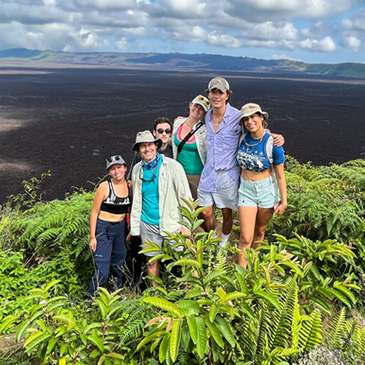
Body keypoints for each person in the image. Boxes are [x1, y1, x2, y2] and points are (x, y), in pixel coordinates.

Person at [198, 77, 284, 248]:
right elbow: (192, 121)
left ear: (227, 95)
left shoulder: (237, 116)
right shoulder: (206, 116)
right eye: (213, 92)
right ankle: (211, 241)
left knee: (226, 211)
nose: (216, 96)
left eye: (220, 92)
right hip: (208, 173)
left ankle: (222, 244)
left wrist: (273, 136)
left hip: (228, 175)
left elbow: (255, 128)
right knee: (205, 211)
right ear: (208, 94)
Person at [130, 130, 192, 284]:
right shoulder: (137, 170)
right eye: (142, 146)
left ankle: (188, 292)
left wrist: (187, 224)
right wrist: (136, 226)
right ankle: (156, 296)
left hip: (172, 221)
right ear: (138, 150)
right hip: (148, 222)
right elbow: (137, 199)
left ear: (155, 146)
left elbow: (185, 196)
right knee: (151, 261)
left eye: (150, 145)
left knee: (183, 259)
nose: (147, 149)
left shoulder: (173, 166)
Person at [236, 103, 287, 268]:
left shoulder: (273, 144)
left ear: (261, 117)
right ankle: (240, 276)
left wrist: (284, 200)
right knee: (245, 237)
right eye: (246, 119)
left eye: (253, 117)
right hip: (246, 190)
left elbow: (280, 175)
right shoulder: (242, 138)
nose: (250, 121)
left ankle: (252, 267)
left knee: (260, 231)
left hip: (266, 191)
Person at [89, 155, 132, 296]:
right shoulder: (105, 187)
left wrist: (130, 230)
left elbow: (130, 210)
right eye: (112, 169)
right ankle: (92, 299)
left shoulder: (130, 186)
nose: (116, 171)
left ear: (125, 168)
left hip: (121, 228)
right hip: (104, 228)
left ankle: (116, 295)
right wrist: (92, 237)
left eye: (119, 167)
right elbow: (94, 212)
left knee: (118, 264)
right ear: (109, 172)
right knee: (102, 266)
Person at [172, 95, 210, 199]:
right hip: (178, 172)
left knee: (195, 207)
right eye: (196, 105)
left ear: (205, 113)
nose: (197, 110)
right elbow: (172, 143)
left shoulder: (205, 130)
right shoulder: (178, 123)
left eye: (202, 109)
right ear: (190, 105)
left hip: (196, 176)